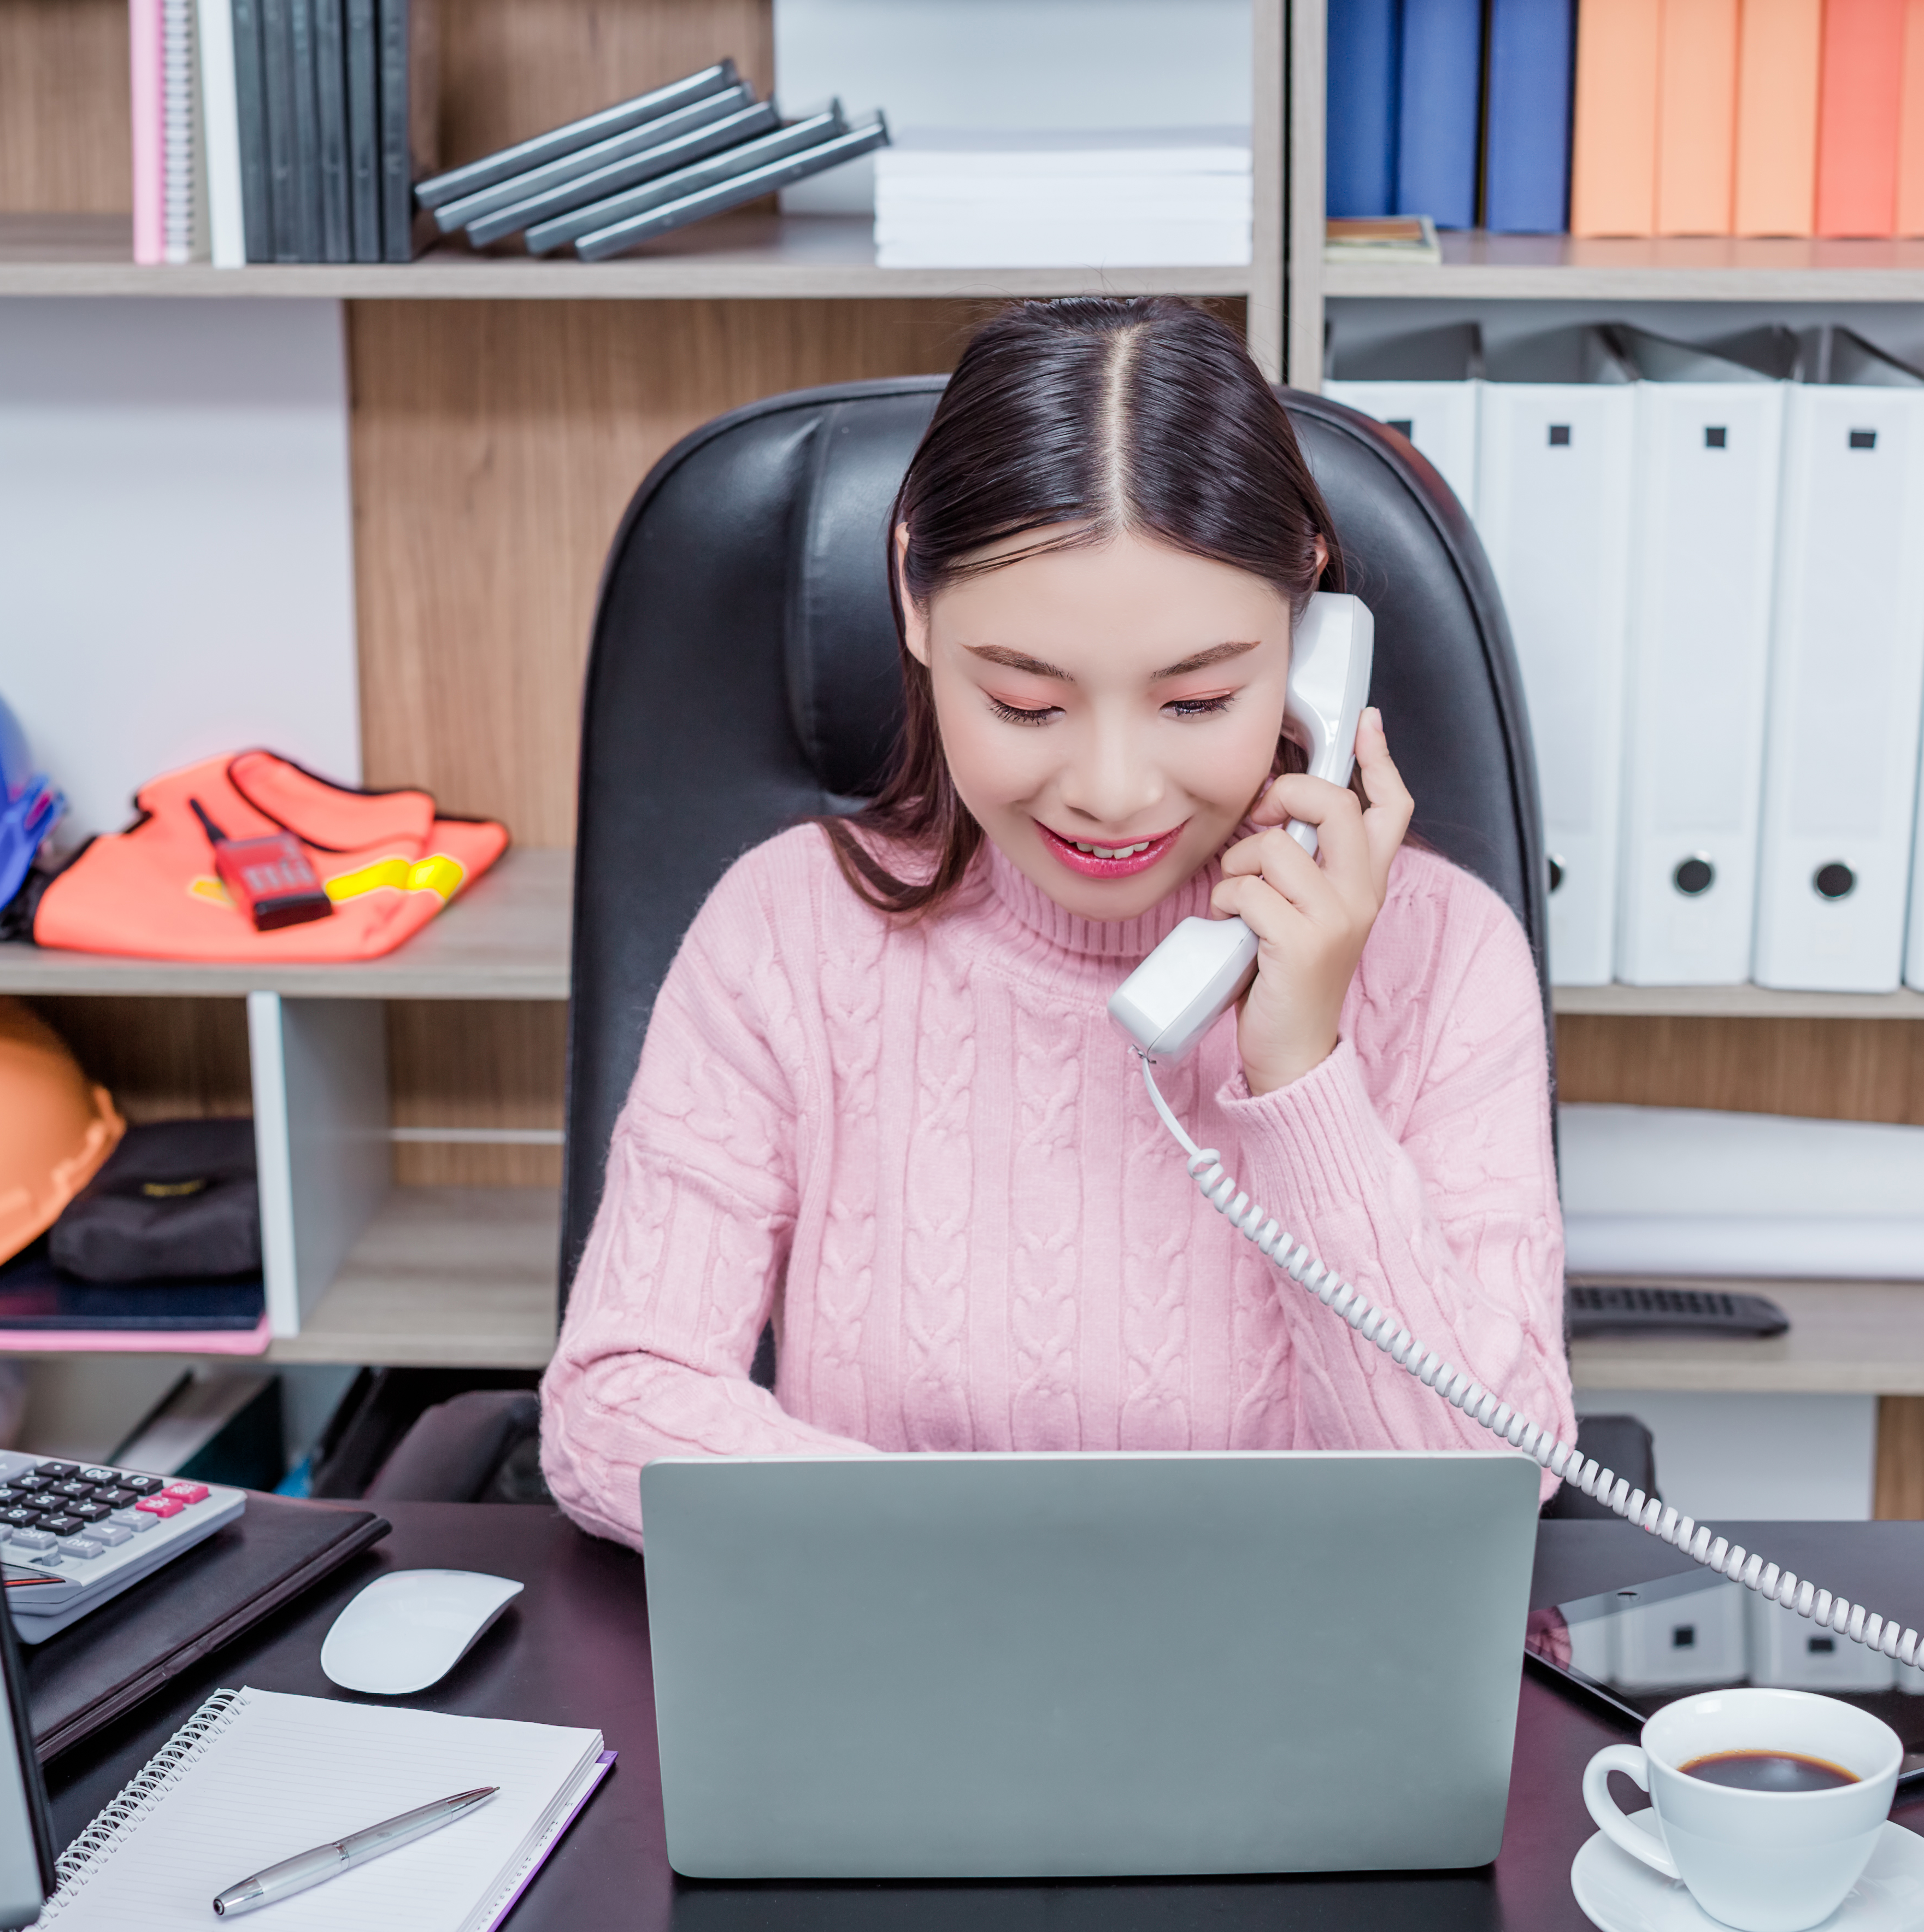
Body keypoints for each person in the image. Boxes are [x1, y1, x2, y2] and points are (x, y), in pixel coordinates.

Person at [540, 295, 1573, 1547]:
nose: (1113, 791)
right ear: (916, 604)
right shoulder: (787, 931)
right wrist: (999, 1566)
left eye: (1197, 700)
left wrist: (1301, 1074)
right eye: (1028, 703)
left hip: (1295, 1700)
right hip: (899, 1654)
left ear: (1309, 634)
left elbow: (1486, 1496)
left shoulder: (1446, 957)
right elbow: (611, 1408)